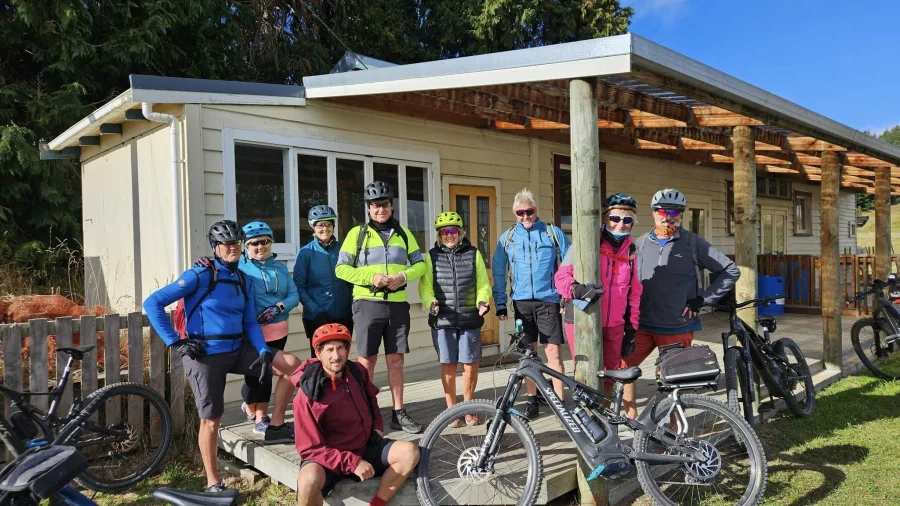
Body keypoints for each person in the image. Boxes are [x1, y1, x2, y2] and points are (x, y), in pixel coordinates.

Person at [145, 220, 304, 492]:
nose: (232, 247)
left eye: (236, 243)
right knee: (211, 419)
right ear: (215, 247)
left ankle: (276, 425)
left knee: (293, 365)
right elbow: (153, 302)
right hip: (204, 355)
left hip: (237, 349)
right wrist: (175, 342)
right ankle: (212, 482)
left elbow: (251, 323)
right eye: (226, 243)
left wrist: (264, 351)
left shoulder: (242, 278)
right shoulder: (200, 275)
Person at [621, 189, 740, 418]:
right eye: (662, 211)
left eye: (674, 211)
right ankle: (631, 420)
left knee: (675, 383)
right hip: (642, 325)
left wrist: (704, 299)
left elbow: (730, 270)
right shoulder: (641, 242)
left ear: (682, 215)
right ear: (654, 213)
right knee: (622, 369)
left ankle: (677, 436)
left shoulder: (694, 244)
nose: (668, 216)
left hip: (677, 326)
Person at [334, 181, 427, 434]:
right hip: (367, 304)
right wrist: (371, 278)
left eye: (384, 204)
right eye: (375, 205)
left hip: (397, 305)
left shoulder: (405, 234)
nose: (380, 209)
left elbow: (421, 265)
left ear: (391, 206)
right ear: (368, 208)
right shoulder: (357, 234)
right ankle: (365, 412)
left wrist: (404, 277)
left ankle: (398, 412)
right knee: (366, 361)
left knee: (396, 360)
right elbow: (341, 269)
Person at [293, 324, 420, 506]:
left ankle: (376, 504)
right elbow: (309, 449)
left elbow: (372, 398)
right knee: (307, 481)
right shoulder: (307, 393)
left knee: (410, 452)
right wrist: (352, 463)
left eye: (340, 348)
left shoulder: (356, 371)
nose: (336, 356)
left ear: (347, 349)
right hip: (329, 459)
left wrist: (377, 426)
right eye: (329, 350)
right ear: (318, 353)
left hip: (365, 447)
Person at [492, 188, 571, 419]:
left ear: (536, 210)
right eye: (520, 213)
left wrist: (566, 294)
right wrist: (500, 302)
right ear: (514, 213)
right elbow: (499, 272)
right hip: (522, 304)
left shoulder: (551, 233)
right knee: (528, 353)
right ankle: (532, 400)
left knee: (554, 353)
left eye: (529, 211)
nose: (525, 216)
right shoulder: (507, 238)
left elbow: (570, 263)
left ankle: (559, 402)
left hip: (549, 301)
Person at [554, 193, 642, 396]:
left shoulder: (632, 251)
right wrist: (576, 290)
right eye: (615, 218)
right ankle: (586, 419)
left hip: (615, 324)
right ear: (604, 218)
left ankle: (605, 415)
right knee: (585, 373)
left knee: (611, 373)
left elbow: (635, 293)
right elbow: (561, 278)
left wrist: (631, 328)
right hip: (582, 319)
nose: (621, 224)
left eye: (627, 220)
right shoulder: (586, 243)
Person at [418, 212, 492, 427]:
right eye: (444, 231)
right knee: (448, 364)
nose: (448, 235)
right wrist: (430, 302)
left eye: (452, 231)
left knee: (470, 364)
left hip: (469, 317)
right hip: (442, 319)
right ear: (439, 235)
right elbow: (425, 286)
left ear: (460, 233)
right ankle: (451, 410)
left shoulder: (473, 253)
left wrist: (482, 301)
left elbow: (483, 283)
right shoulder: (431, 256)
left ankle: (469, 408)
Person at [236, 221, 300, 437]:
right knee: (257, 374)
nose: (260, 246)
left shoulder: (280, 267)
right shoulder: (241, 268)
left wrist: (279, 307)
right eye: (253, 243)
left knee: (268, 374)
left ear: (271, 243)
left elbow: (293, 295)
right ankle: (260, 417)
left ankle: (254, 409)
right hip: (255, 332)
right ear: (245, 246)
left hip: (279, 331)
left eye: (264, 242)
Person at [294, 205, 353, 356]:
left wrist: (353, 306)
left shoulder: (343, 249)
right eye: (320, 225)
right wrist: (315, 310)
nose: (324, 228)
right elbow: (299, 286)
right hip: (317, 316)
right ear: (313, 227)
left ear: (333, 225)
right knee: (320, 360)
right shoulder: (305, 253)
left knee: (342, 358)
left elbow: (352, 281)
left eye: (328, 224)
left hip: (343, 314)